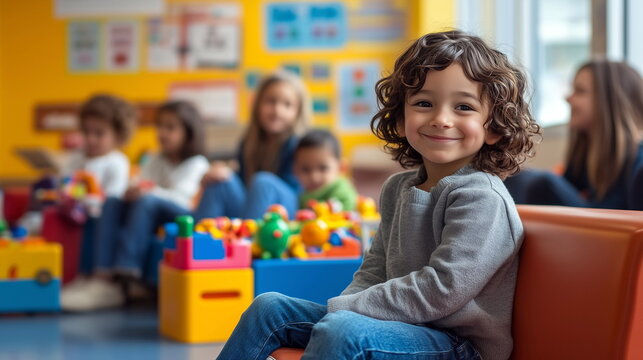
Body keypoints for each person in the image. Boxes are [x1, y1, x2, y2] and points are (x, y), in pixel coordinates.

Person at [216, 30, 541, 360]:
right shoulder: (397, 188)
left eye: (463, 106)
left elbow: (442, 290)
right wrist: (346, 308)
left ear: (494, 127)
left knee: (342, 331)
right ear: (401, 120)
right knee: (268, 308)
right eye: (424, 103)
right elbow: (372, 270)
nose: (442, 119)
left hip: (458, 344)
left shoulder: (482, 198)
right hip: (401, 326)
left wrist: (346, 312)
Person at [61, 100, 209, 311]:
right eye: (159, 127)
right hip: (151, 209)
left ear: (189, 132)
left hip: (183, 216)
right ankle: (102, 276)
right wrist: (132, 191)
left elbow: (182, 199)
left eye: (170, 128)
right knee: (112, 201)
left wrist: (148, 191)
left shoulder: (197, 163)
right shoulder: (157, 160)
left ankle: (128, 273)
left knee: (146, 200)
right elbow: (140, 181)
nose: (162, 133)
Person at [505, 59, 643, 209]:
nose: (568, 98)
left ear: (609, 102)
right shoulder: (586, 154)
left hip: (610, 226)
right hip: (591, 217)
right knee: (515, 176)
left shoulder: (637, 161)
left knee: (544, 184)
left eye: (580, 91)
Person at [194, 70, 310, 220]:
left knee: (262, 182)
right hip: (255, 207)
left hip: (286, 209)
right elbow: (242, 183)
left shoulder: (297, 144)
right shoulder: (249, 142)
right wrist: (225, 172)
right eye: (271, 101)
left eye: (287, 105)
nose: (277, 110)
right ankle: (200, 238)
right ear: (258, 104)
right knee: (220, 179)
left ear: (297, 112)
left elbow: (295, 188)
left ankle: (249, 241)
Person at [19, 94, 135, 234]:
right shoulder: (76, 157)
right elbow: (63, 186)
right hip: (65, 213)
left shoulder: (117, 162)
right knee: (34, 217)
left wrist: (87, 200)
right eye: (86, 132)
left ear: (118, 135)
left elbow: (112, 201)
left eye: (99, 133)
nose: (91, 139)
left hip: (95, 222)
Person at [294, 129, 358, 211]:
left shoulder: (341, 191)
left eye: (323, 168)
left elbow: (348, 211)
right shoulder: (302, 194)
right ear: (295, 170)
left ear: (341, 167)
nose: (314, 177)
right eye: (306, 169)